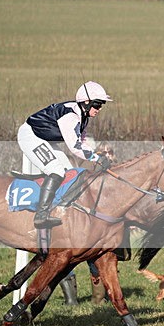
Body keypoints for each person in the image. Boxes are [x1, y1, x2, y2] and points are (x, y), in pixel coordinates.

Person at [17, 81, 113, 228]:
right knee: (56, 171)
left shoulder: (83, 116)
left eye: (101, 105)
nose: (99, 109)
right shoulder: (71, 116)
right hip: (31, 136)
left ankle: (61, 209)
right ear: (86, 102)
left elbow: (81, 142)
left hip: (44, 139)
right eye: (97, 104)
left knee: (71, 173)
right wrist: (96, 158)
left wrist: (96, 155)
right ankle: (41, 216)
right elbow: (74, 146)